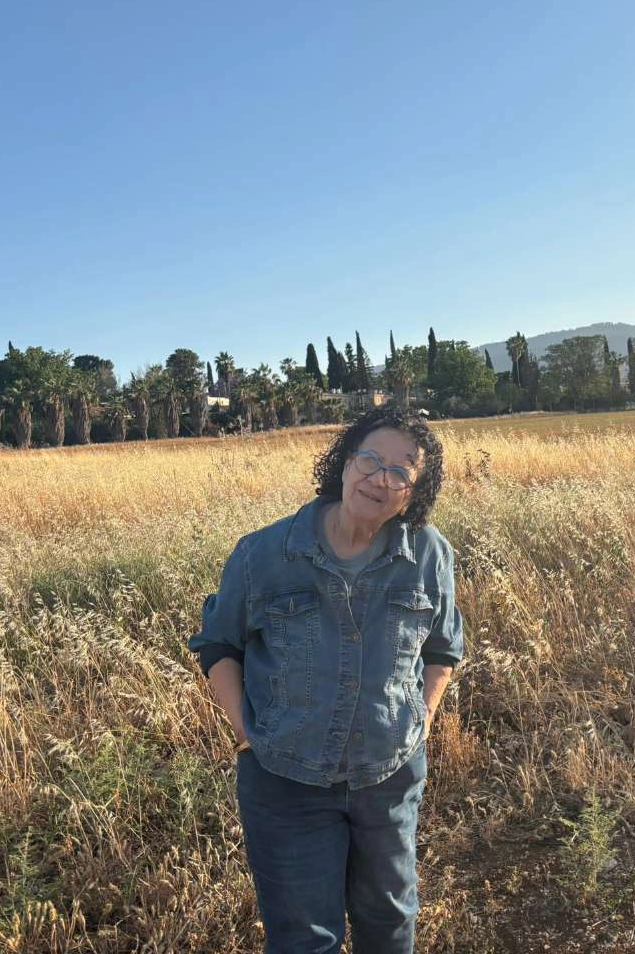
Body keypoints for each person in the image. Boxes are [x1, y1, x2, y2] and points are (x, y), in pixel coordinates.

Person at [187, 407, 464, 953]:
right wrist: (245, 731)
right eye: (370, 460)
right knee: (303, 940)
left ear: (414, 493)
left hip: (388, 778)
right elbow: (219, 644)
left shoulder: (428, 554)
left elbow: (442, 648)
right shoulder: (264, 553)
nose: (380, 479)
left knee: (389, 926)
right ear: (344, 462)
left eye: (400, 472)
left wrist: (424, 721)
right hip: (286, 781)